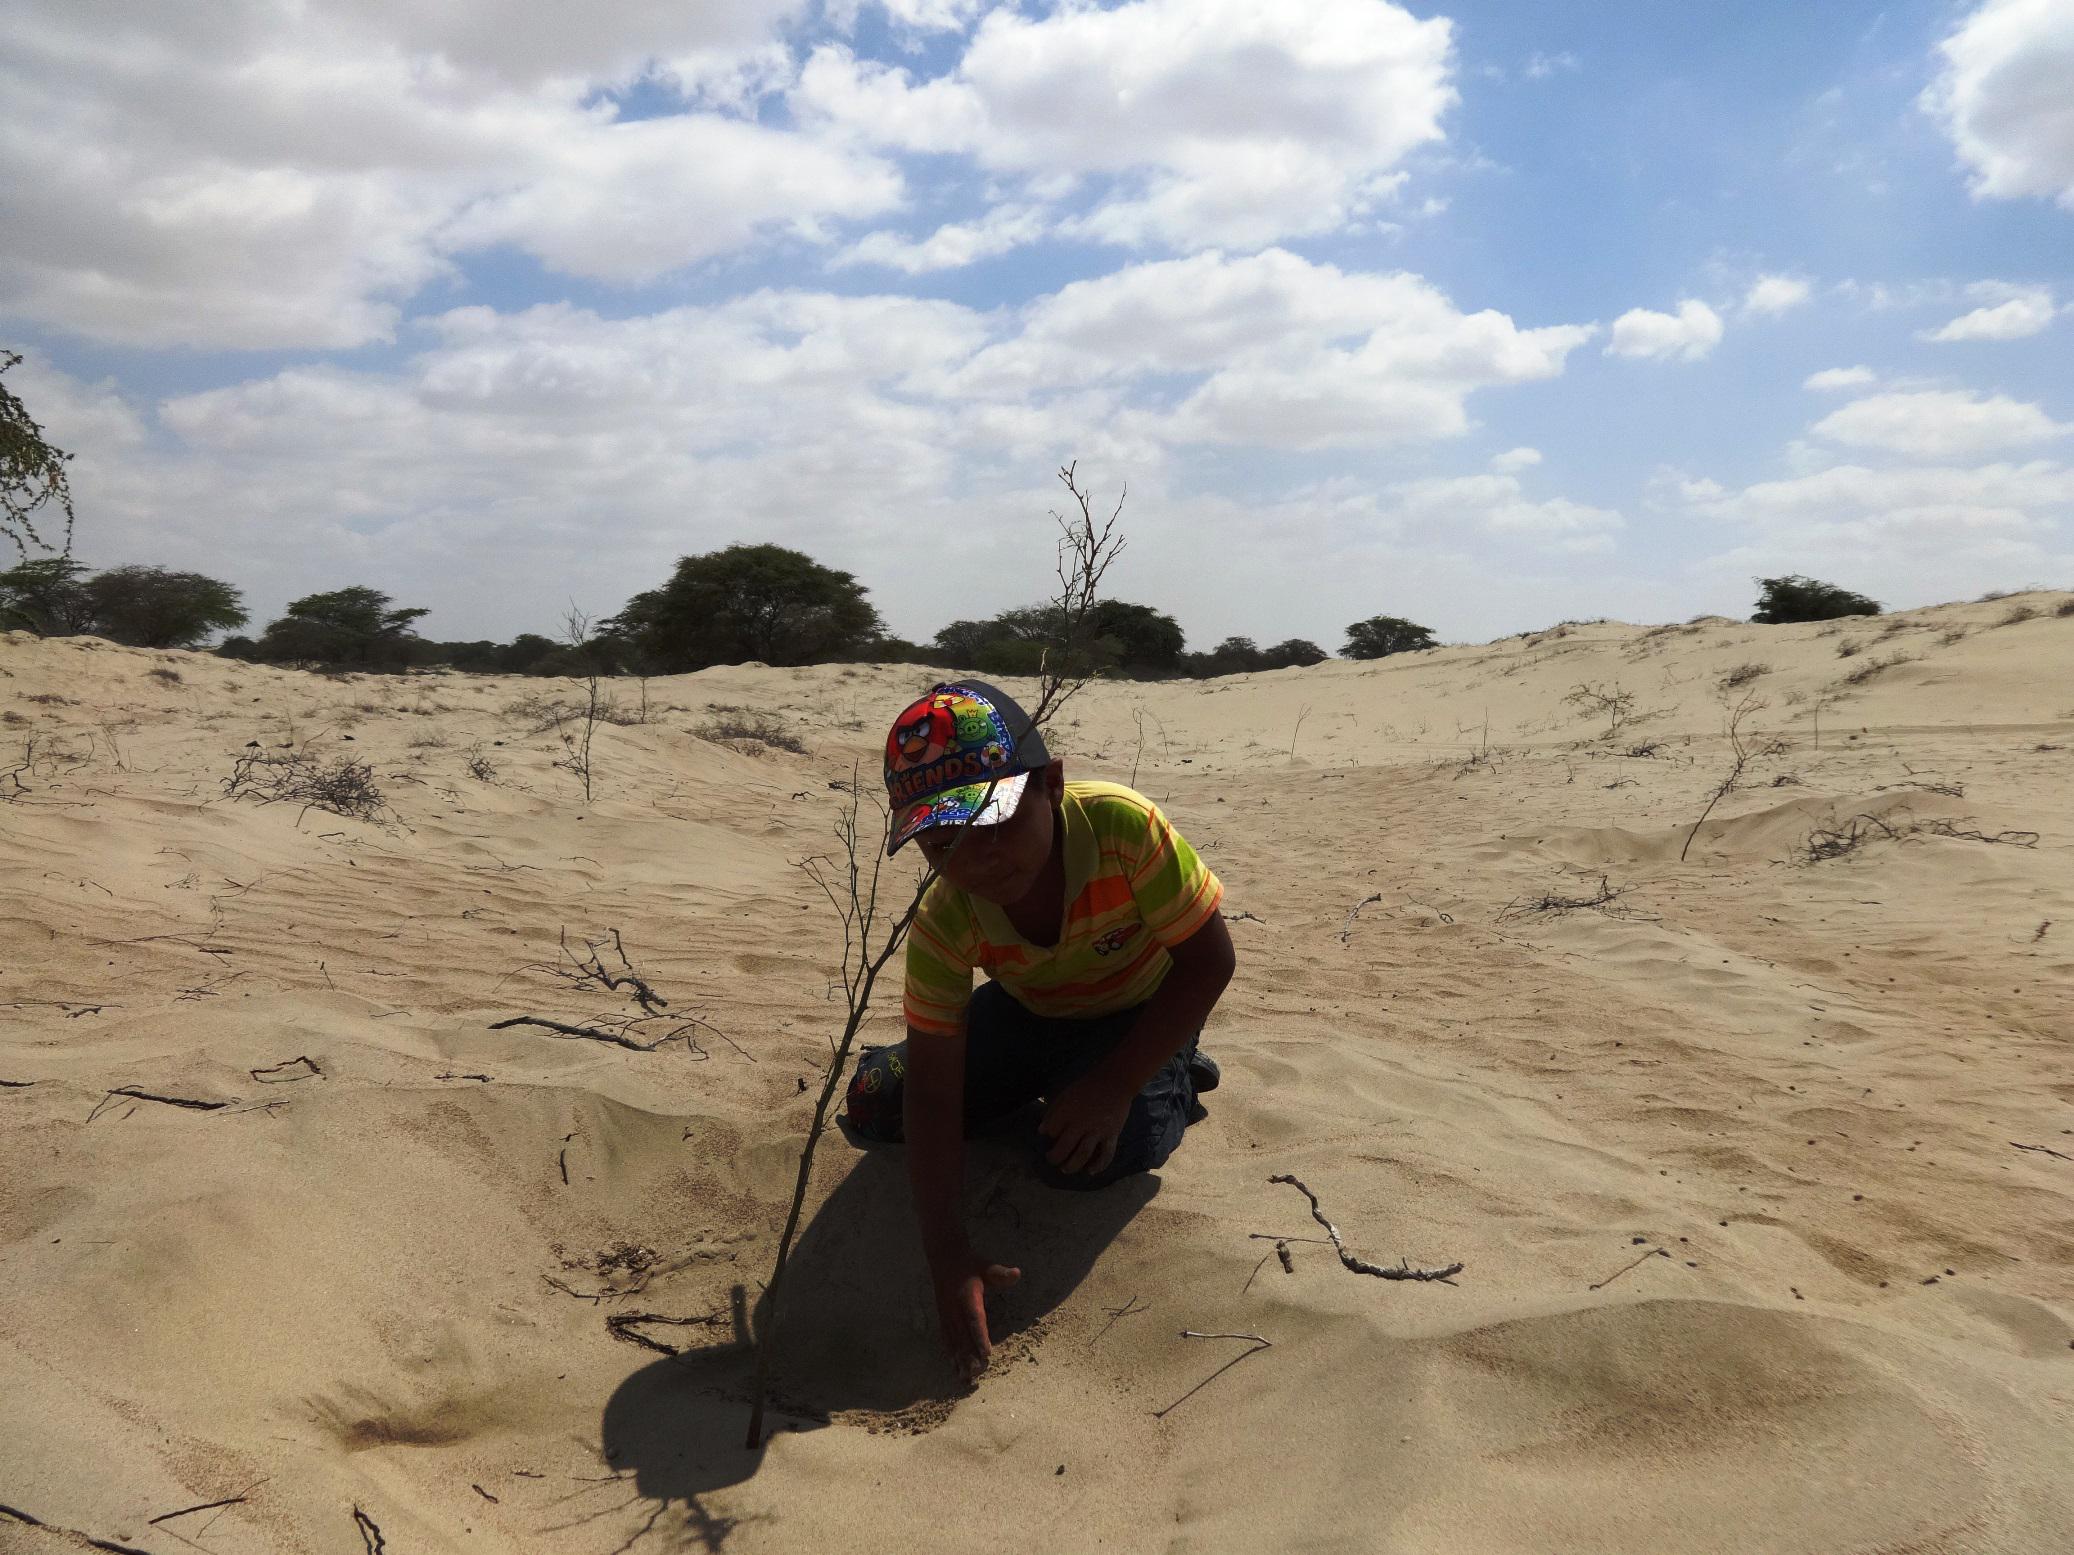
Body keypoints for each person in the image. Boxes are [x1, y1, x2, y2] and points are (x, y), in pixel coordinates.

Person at [843, 679, 1236, 1381]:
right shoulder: (945, 916)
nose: (977, 859)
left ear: (1051, 783)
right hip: (1030, 1011)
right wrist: (946, 1254)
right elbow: (932, 1097)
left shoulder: (1123, 828)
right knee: (879, 1104)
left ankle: (1175, 1069)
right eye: (944, 843)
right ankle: (1078, 1076)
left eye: (997, 819)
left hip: (1139, 1011)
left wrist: (1116, 1083)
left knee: (1088, 1156)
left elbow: (1210, 960)